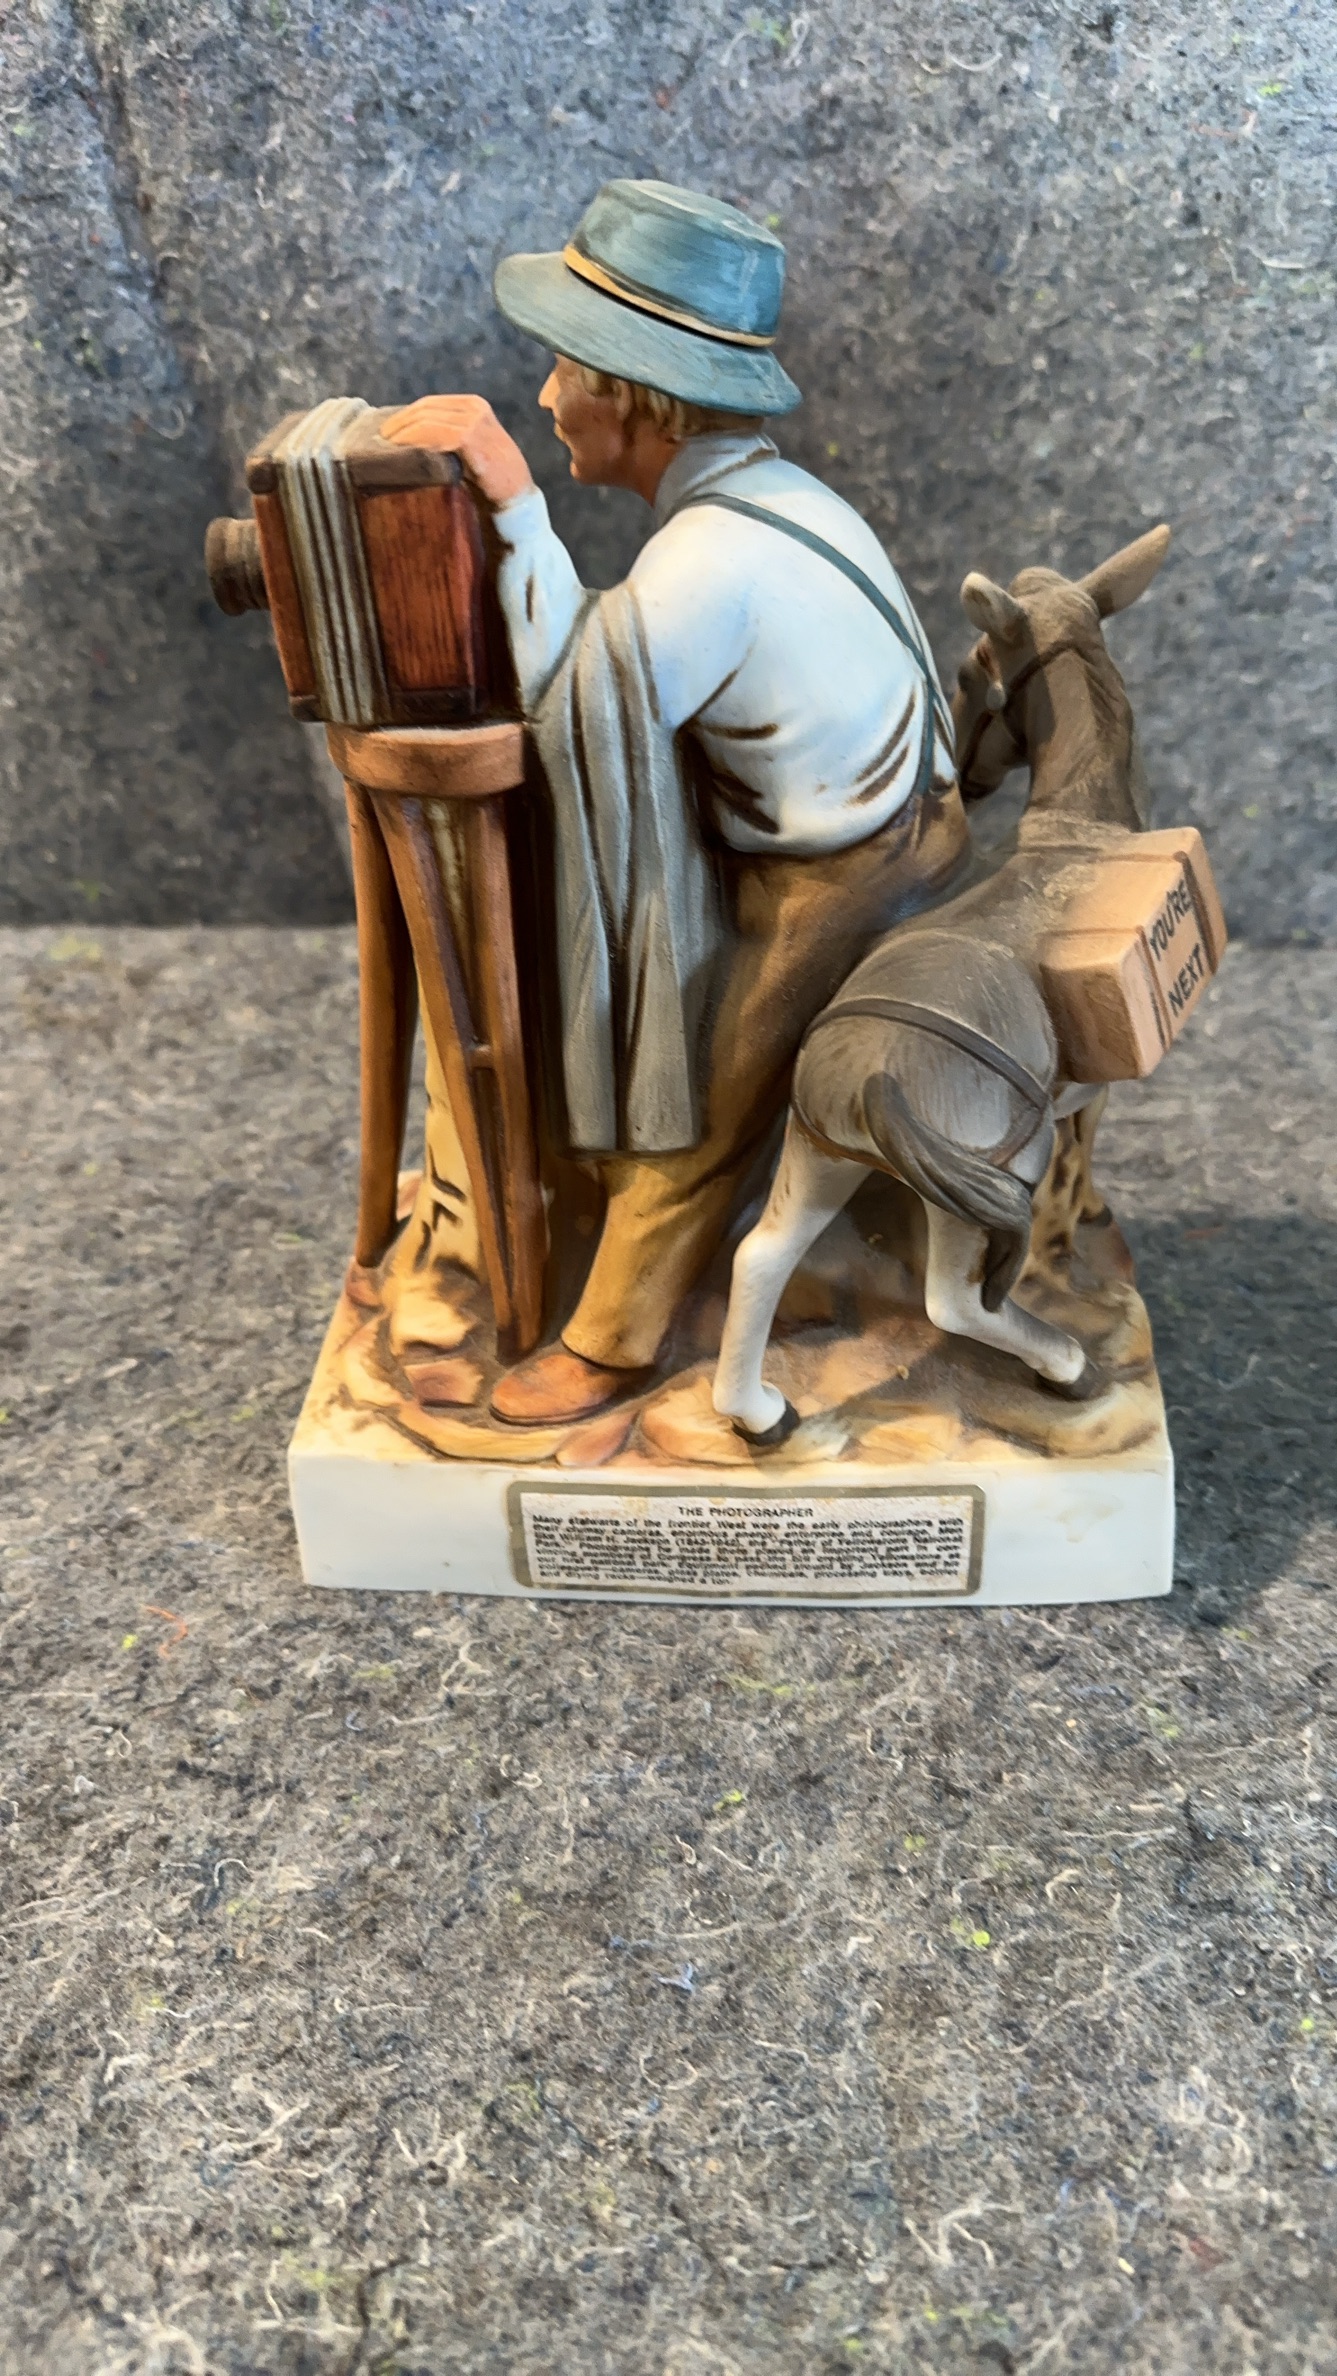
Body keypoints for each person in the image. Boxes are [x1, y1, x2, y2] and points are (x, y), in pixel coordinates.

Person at [386, 178, 968, 1425]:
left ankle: (610, 1340)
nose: (545, 398)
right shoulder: (774, 499)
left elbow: (576, 706)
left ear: (635, 396)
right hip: (886, 830)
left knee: (700, 1097)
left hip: (849, 878)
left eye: (564, 370)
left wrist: (513, 506)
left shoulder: (709, 556)